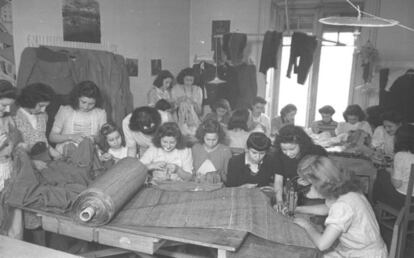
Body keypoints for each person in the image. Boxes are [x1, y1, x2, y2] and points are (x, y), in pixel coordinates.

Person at [293, 155, 387, 258]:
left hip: (365, 254)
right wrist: (299, 209)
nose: (310, 188)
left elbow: (322, 245)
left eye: (312, 185)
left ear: (322, 184)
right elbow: (328, 208)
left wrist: (306, 225)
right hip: (358, 249)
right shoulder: (346, 188)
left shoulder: (342, 205)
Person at [273, 125, 327, 211]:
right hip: (292, 193)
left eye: (292, 149)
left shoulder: (316, 152)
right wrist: (279, 200)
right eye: (284, 149)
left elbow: (328, 176)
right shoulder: (278, 155)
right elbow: (278, 180)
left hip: (316, 195)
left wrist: (311, 180)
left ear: (301, 144)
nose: (288, 153)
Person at [49, 81, 107, 155]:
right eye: (83, 102)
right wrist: (71, 137)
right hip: (66, 152)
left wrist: (95, 139)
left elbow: (105, 138)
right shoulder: (65, 111)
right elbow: (52, 137)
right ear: (76, 98)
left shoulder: (100, 113)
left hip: (91, 152)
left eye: (91, 104)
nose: (86, 107)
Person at [0, 80, 23, 239]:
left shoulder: (8, 120)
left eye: (10, 105)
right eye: (3, 105)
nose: (7, 109)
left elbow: (15, 142)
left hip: (8, 169)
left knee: (13, 212)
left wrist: (20, 145)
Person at [373, 124, 414, 210]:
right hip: (412, 203)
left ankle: (374, 205)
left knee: (381, 174)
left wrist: (391, 171)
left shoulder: (401, 155)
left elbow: (397, 184)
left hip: (403, 201)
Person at [14, 83, 61, 158]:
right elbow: (13, 148)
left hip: (44, 157)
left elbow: (41, 139)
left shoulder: (43, 115)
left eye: (46, 106)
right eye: (41, 106)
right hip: (23, 161)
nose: (43, 109)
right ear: (30, 101)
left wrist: (53, 151)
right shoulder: (14, 118)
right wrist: (33, 163)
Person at [192, 119, 232, 183]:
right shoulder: (196, 148)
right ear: (202, 136)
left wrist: (219, 176)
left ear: (219, 137)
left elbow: (229, 177)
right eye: (208, 139)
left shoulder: (225, 151)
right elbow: (191, 172)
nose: (211, 143)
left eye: (214, 139)